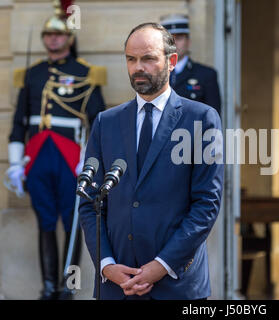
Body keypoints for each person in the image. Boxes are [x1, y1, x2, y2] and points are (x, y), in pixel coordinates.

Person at [79, 22, 223, 300]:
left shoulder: (201, 119)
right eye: (131, 59)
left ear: (171, 62)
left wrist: (161, 266)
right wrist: (106, 265)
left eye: (148, 58)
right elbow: (90, 202)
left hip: (176, 285)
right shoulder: (105, 122)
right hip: (117, 285)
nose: (138, 67)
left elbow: (207, 203)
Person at [6, 2, 106, 300]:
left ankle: (68, 288)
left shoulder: (86, 72)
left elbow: (97, 124)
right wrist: (14, 164)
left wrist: (88, 162)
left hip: (70, 158)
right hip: (37, 158)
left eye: (59, 34)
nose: (53, 39)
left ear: (69, 38)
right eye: (48, 34)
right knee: (45, 222)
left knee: (72, 222)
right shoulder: (32, 74)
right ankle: (48, 286)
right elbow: (18, 124)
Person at [160, 14, 221, 116]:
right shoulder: (154, 74)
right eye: (169, 39)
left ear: (188, 42)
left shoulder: (206, 75)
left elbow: (212, 118)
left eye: (179, 38)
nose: (174, 44)